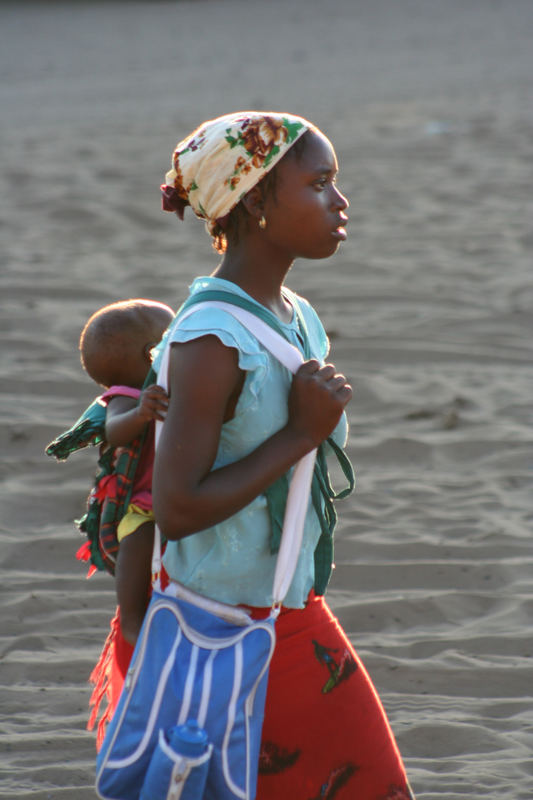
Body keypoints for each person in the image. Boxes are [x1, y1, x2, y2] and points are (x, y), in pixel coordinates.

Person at [153, 112, 415, 800]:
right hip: (222, 625)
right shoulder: (210, 340)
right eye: (319, 183)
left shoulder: (293, 313)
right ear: (256, 201)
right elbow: (177, 509)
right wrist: (301, 433)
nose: (339, 201)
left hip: (289, 609)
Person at [78, 298, 173, 745]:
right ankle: (134, 630)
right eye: (172, 338)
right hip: (143, 509)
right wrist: (142, 412)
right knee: (138, 549)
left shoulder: (177, 387)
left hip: (180, 502)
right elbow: (113, 430)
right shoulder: (126, 397)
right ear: (149, 356)